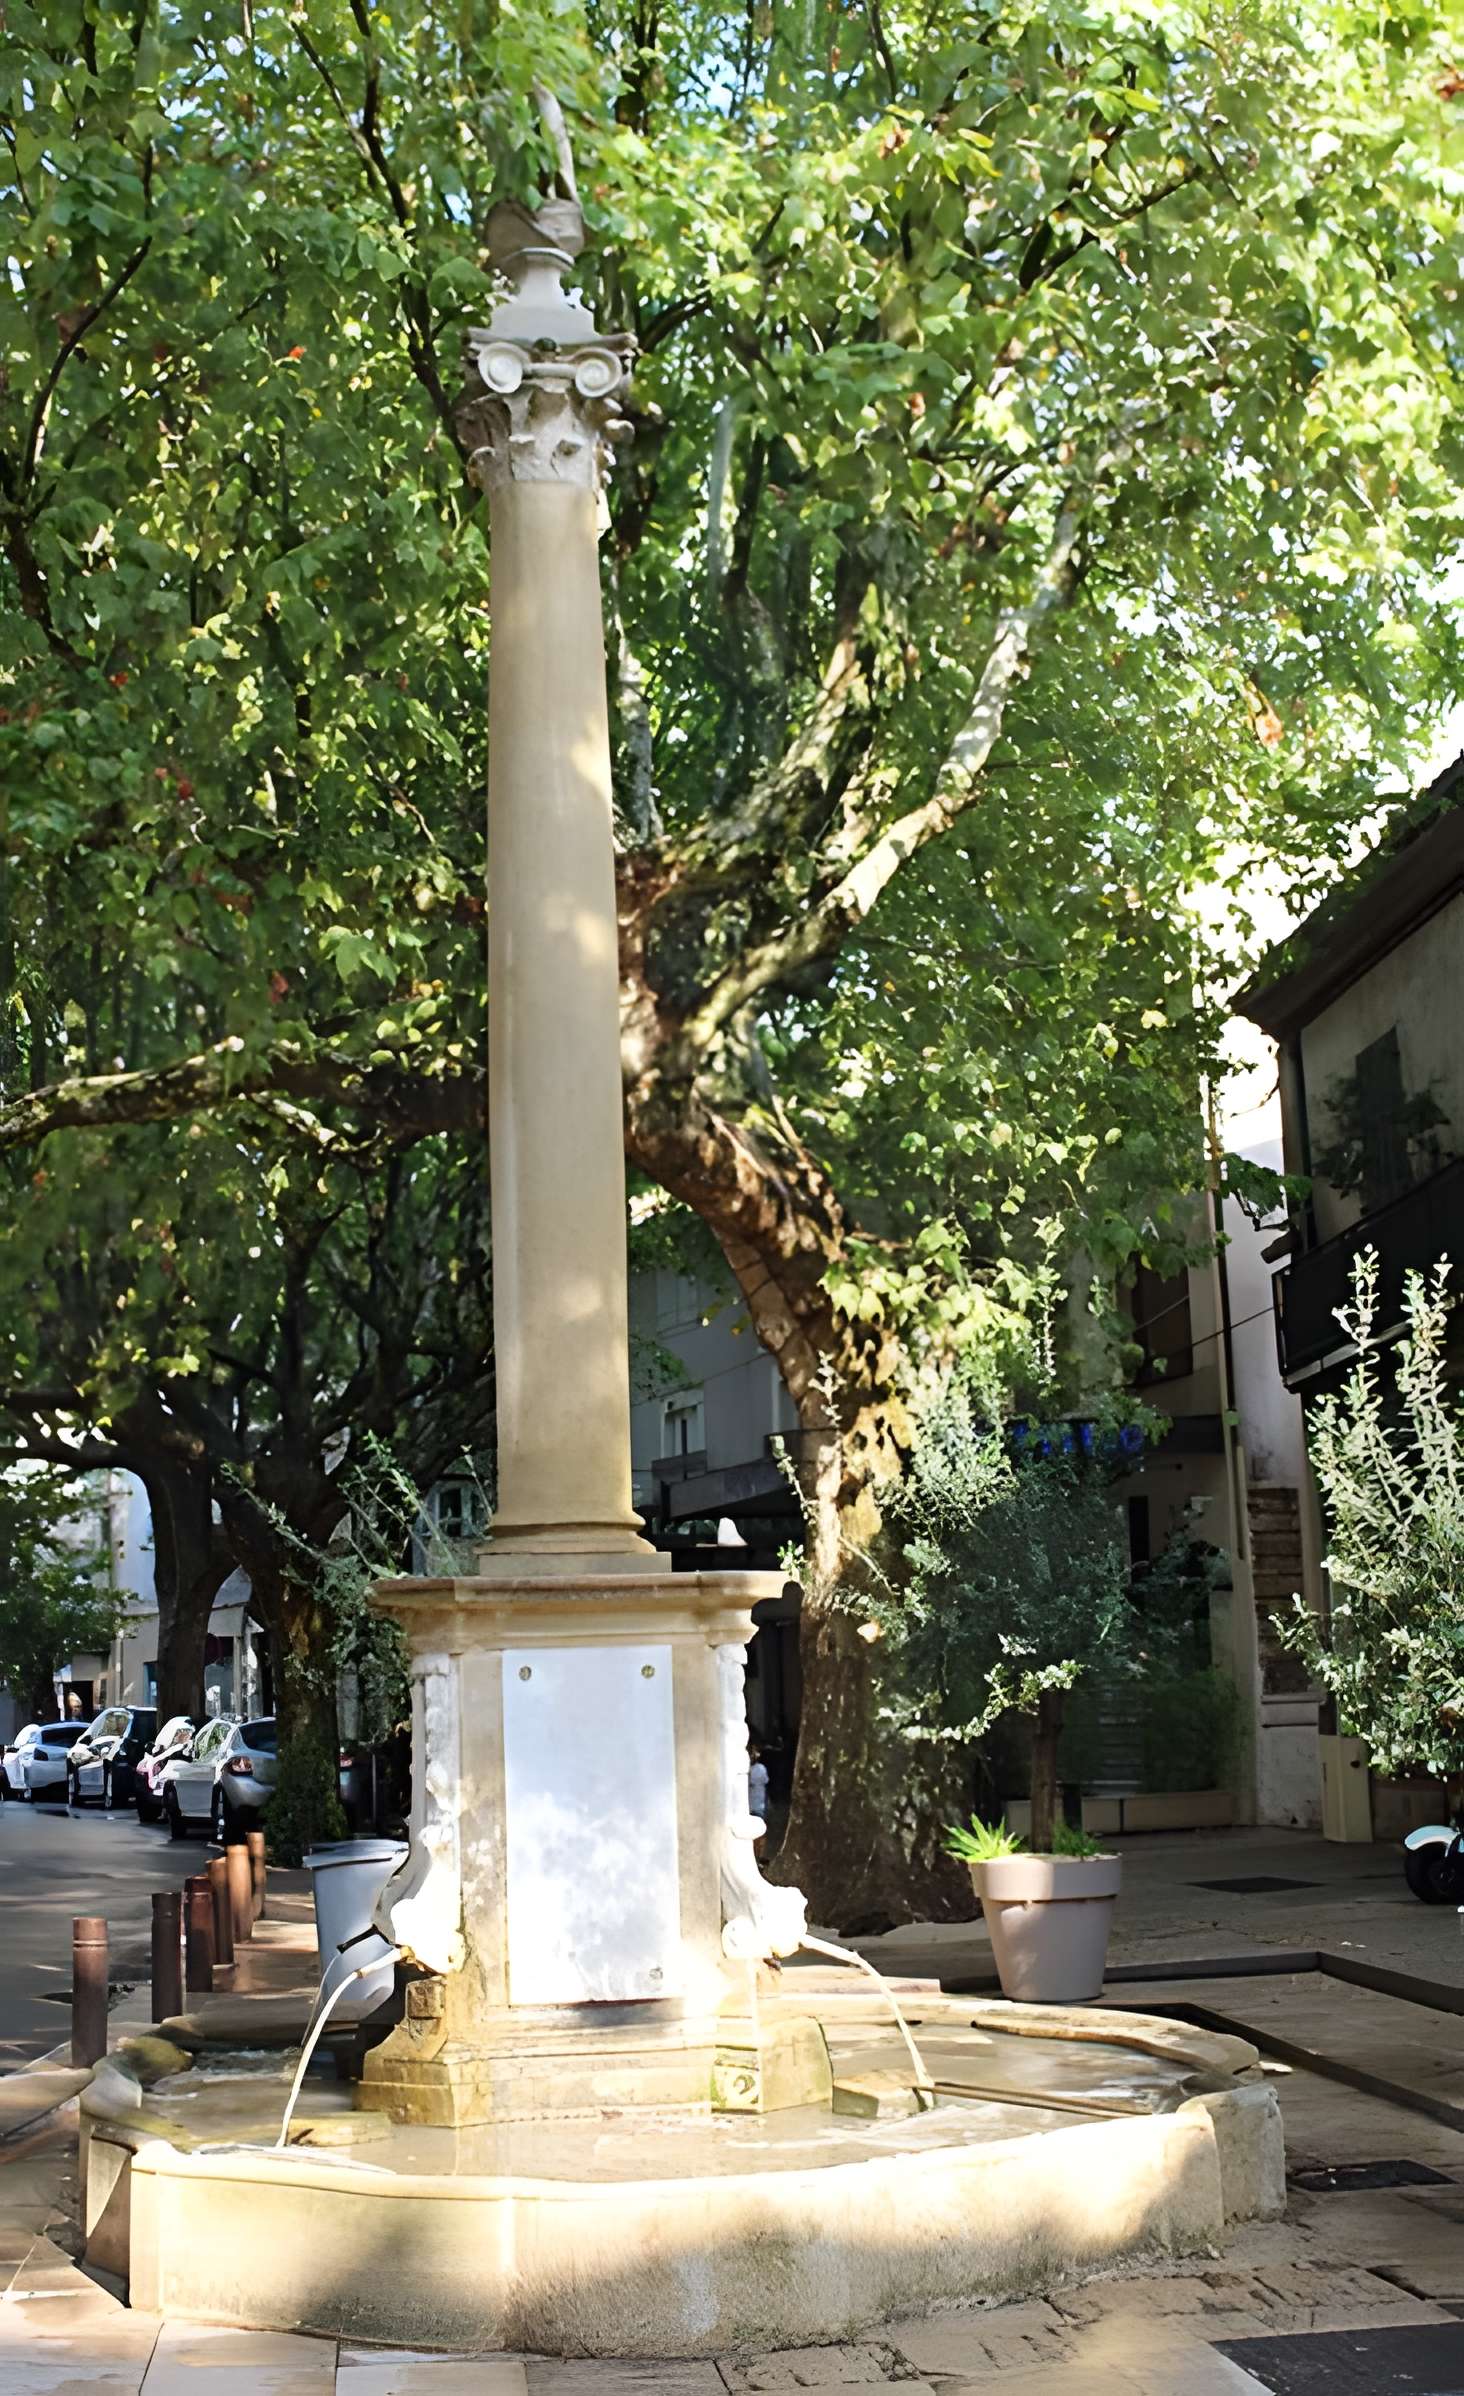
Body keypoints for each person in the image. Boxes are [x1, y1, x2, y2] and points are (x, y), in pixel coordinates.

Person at [747, 1744, 769, 1839]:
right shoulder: (761, 1768)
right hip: (756, 1806)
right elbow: (765, 1780)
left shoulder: (757, 1769)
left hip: (753, 1806)